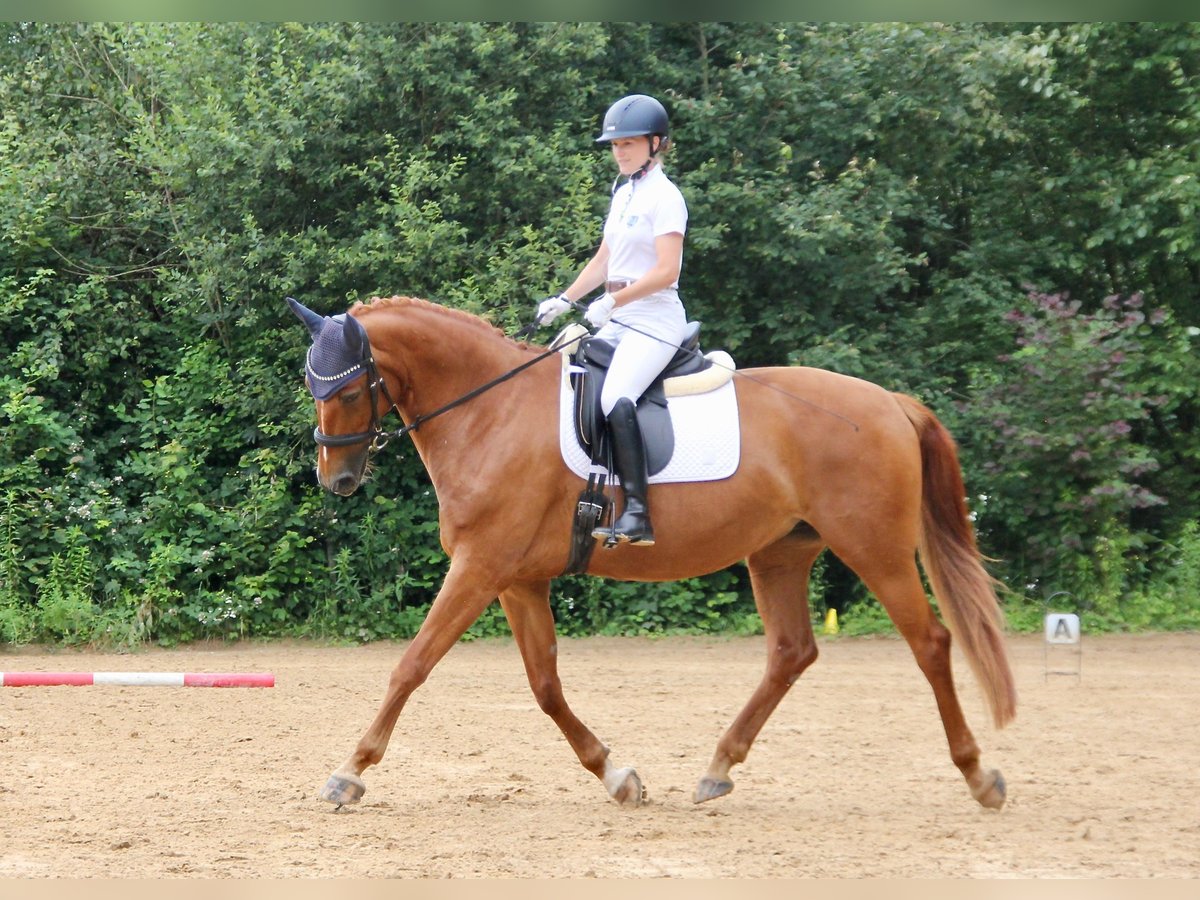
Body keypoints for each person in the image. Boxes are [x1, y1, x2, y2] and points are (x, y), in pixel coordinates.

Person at [536, 93, 689, 547]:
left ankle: (638, 514)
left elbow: (667, 271)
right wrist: (565, 299)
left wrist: (615, 304)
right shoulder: (624, 192)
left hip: (655, 320)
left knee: (616, 395)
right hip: (618, 316)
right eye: (614, 144)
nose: (619, 151)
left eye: (629, 143)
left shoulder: (666, 197)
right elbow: (606, 259)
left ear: (655, 143)